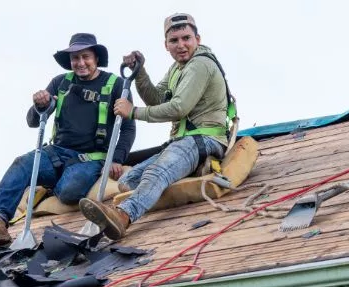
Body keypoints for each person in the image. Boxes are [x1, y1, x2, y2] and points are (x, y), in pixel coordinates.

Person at [79, 13, 234, 240]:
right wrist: (140, 72)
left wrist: (133, 112)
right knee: (127, 181)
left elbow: (178, 108)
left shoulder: (200, 65)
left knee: (156, 172)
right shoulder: (177, 69)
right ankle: (194, 168)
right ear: (166, 45)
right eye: (174, 41)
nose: (181, 45)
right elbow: (157, 99)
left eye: (186, 38)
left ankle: (123, 216)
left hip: (205, 139)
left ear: (197, 39)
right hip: (183, 142)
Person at [0, 33, 136, 246]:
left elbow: (127, 128)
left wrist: (117, 158)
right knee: (22, 163)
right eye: (75, 58)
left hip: (90, 158)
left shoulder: (116, 85)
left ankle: (53, 184)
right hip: (55, 153)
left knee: (70, 191)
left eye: (85, 57)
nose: (80, 63)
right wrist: (40, 105)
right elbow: (34, 121)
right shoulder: (61, 83)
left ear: (96, 58)